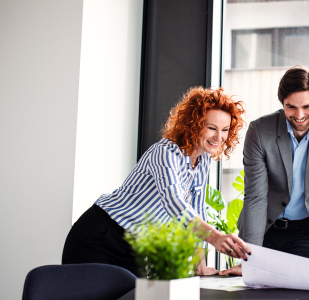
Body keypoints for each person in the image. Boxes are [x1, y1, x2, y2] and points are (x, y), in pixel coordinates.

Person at [62, 87, 251, 277]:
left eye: (225, 130)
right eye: (211, 128)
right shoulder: (165, 153)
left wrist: (199, 265)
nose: (219, 137)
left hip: (137, 246)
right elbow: (174, 202)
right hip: (101, 236)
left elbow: (197, 208)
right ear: (193, 124)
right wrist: (215, 237)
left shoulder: (202, 161)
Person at [221, 66, 309, 275]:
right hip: (263, 228)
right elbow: (255, 196)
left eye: (307, 107)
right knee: (256, 298)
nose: (299, 115)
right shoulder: (260, 131)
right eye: (291, 107)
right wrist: (250, 258)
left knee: (303, 294)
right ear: (282, 104)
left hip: (305, 232)